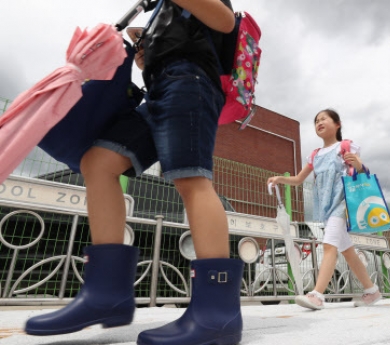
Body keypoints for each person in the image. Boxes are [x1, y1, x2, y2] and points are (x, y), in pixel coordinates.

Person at [25, 1, 243, 345]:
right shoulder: (160, 11)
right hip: (157, 90)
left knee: (191, 179)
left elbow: (225, 20)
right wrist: (147, 52)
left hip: (190, 81)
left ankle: (219, 313)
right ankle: (106, 294)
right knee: (98, 163)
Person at [267, 109, 381, 310]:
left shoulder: (345, 146)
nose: (319, 122)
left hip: (342, 203)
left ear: (337, 124)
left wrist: (360, 164)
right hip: (326, 207)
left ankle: (317, 295)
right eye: (316, 121)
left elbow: (360, 173)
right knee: (348, 252)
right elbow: (299, 179)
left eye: (323, 119)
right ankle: (372, 290)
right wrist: (280, 179)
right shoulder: (315, 155)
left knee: (329, 246)